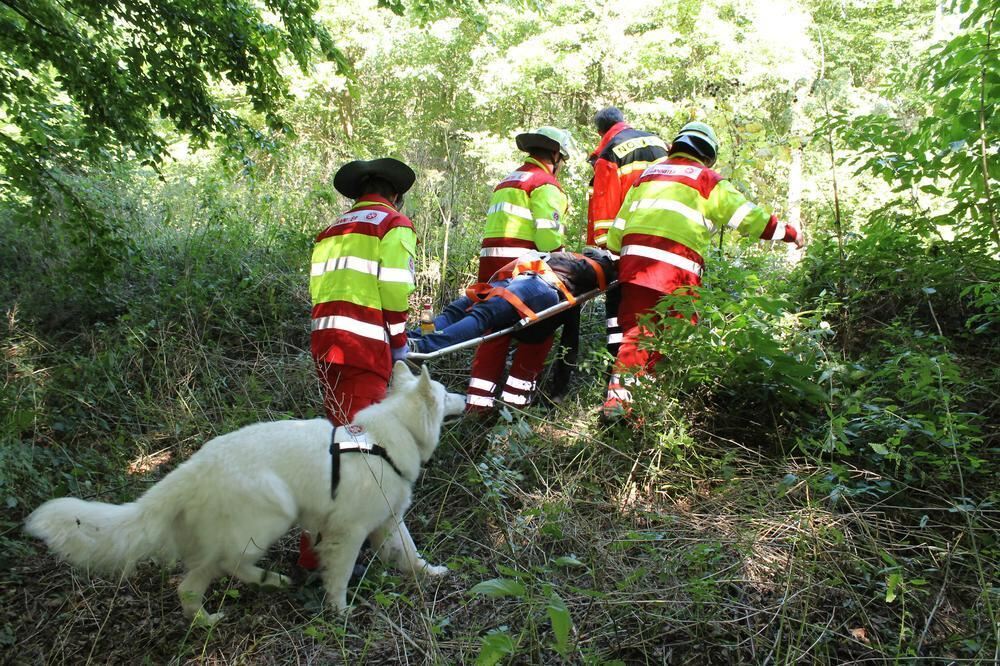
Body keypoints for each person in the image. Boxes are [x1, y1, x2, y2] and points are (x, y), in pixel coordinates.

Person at [603, 121, 805, 419]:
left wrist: (621, 259)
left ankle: (619, 406)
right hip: (676, 273)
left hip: (634, 269)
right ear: (708, 156)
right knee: (673, 338)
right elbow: (749, 218)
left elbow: (616, 234)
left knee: (637, 333)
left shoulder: (646, 177)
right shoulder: (706, 179)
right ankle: (649, 409)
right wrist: (790, 233)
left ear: (675, 147)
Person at [305, 157, 417, 568]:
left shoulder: (332, 229)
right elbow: (393, 289)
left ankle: (319, 553)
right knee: (366, 458)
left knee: (344, 444)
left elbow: (319, 289)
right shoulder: (392, 225)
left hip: (326, 344)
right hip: (364, 348)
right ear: (396, 196)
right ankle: (393, 561)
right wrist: (400, 342)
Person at [412, 249, 617, 410]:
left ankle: (411, 340)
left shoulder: (567, 259)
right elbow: (570, 342)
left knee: (459, 310)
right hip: (537, 287)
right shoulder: (585, 277)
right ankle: (422, 347)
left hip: (520, 279)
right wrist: (558, 392)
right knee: (481, 316)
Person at [587, 107, 670, 360]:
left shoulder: (609, 152)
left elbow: (605, 213)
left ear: (601, 131)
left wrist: (604, 254)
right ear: (623, 121)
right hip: (669, 241)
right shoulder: (661, 144)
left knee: (620, 316)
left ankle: (615, 369)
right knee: (659, 314)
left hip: (629, 246)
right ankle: (653, 376)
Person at [477, 127, 574, 282]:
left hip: (490, 271)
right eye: (563, 160)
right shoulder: (544, 184)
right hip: (519, 274)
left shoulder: (507, 181)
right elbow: (547, 241)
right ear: (555, 155)